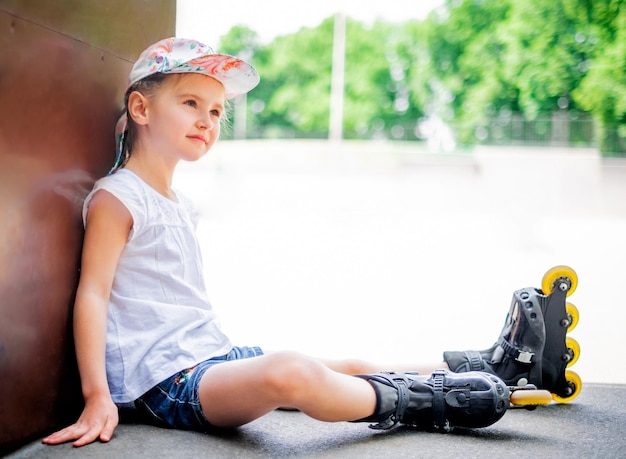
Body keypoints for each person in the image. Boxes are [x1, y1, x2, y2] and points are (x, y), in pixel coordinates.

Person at [42, 37, 510, 448]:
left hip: (212, 355)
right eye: (190, 103)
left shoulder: (180, 203)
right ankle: (429, 403)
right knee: (291, 371)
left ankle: (482, 370)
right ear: (141, 109)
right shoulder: (118, 198)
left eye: (216, 110)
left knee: (346, 364)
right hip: (167, 381)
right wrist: (97, 396)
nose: (207, 120)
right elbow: (94, 293)